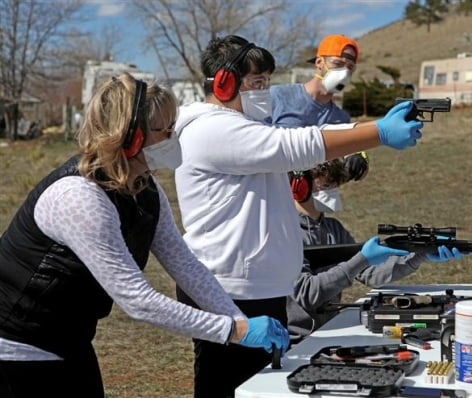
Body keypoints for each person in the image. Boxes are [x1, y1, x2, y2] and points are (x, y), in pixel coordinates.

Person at [0, 73, 288, 398]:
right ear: (130, 137)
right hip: (15, 344)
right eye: (164, 129)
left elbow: (184, 264)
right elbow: (138, 301)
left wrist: (238, 318)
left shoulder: (144, 188)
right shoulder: (80, 197)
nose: (172, 136)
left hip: (67, 337)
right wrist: (231, 330)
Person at [174, 34, 424, 397]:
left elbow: (304, 138)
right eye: (257, 83)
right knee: (227, 388)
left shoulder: (240, 128)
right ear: (225, 82)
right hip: (228, 290)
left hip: (255, 289)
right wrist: (379, 132)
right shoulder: (211, 129)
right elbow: (295, 146)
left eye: (267, 82)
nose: (265, 91)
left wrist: (368, 131)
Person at [286, 163, 464, 344]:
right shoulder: (284, 232)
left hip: (328, 331)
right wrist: (362, 259)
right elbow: (306, 294)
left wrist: (419, 257)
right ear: (299, 186)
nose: (333, 191)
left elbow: (371, 275)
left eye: (335, 185)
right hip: (297, 342)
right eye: (325, 186)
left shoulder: (333, 228)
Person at [270, 34, 368, 212]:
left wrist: (357, 157)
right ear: (319, 63)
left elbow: (338, 167)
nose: (344, 73)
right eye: (338, 64)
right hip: (272, 200)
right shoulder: (278, 96)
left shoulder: (341, 119)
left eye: (350, 68)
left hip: (313, 209)